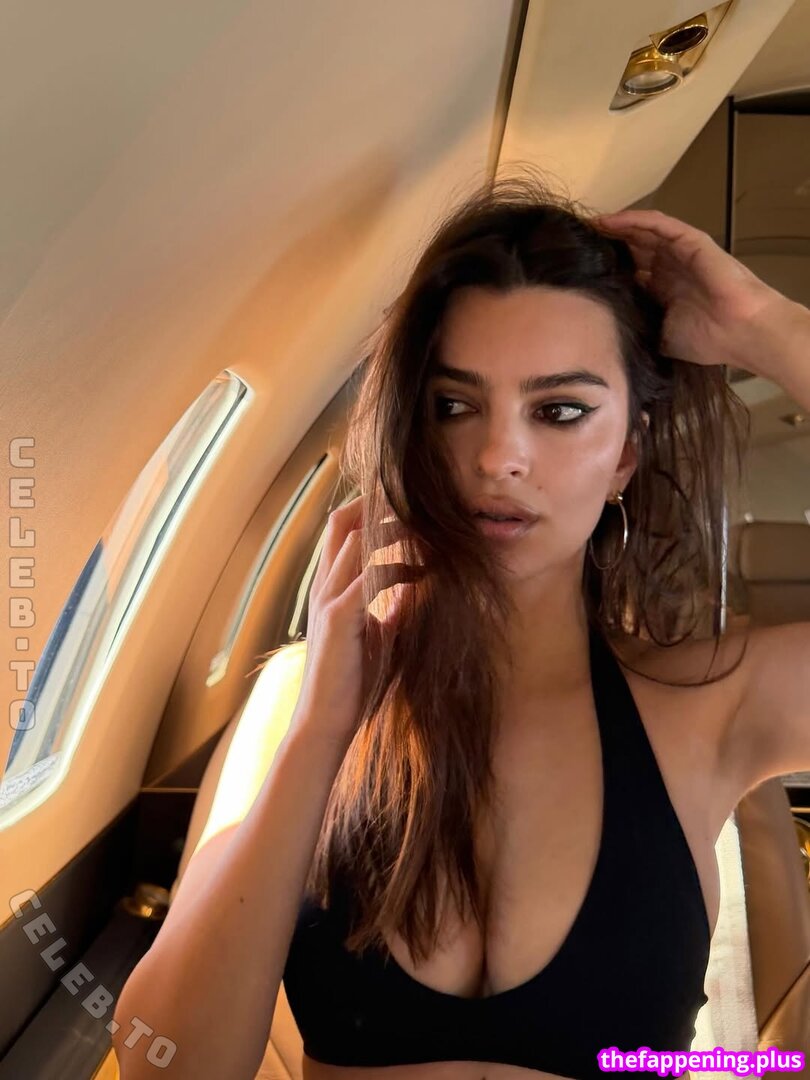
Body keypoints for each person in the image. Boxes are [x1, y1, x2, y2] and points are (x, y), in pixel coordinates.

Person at [113, 172, 810, 1080]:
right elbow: (167, 1066)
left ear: (627, 455)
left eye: (559, 411)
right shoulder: (303, 700)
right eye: (454, 406)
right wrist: (321, 733)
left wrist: (768, 328)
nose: (497, 457)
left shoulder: (709, 708)